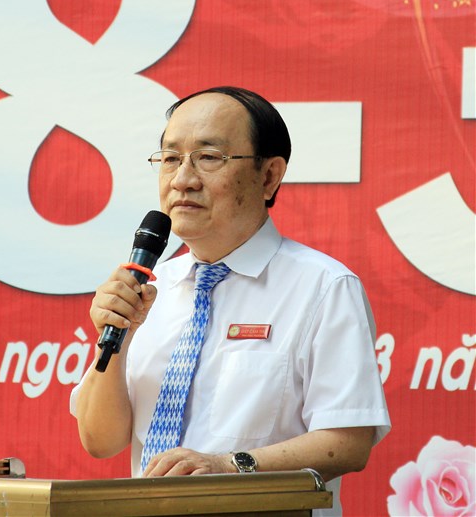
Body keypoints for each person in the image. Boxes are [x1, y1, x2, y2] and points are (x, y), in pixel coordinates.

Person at [70, 86, 390, 516]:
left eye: (208, 157)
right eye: (170, 159)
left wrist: (228, 467)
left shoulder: (324, 286)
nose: (182, 179)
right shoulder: (150, 286)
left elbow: (348, 442)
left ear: (269, 176)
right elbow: (100, 440)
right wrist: (118, 338)